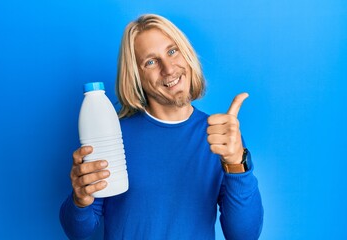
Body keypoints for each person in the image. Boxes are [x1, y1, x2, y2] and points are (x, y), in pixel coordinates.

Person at [60, 14, 263, 240]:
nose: (168, 68)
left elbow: (245, 235)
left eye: (172, 51)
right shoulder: (114, 136)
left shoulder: (221, 138)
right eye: (151, 61)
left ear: (186, 54)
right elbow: (79, 232)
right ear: (136, 77)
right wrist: (80, 200)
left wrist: (237, 164)